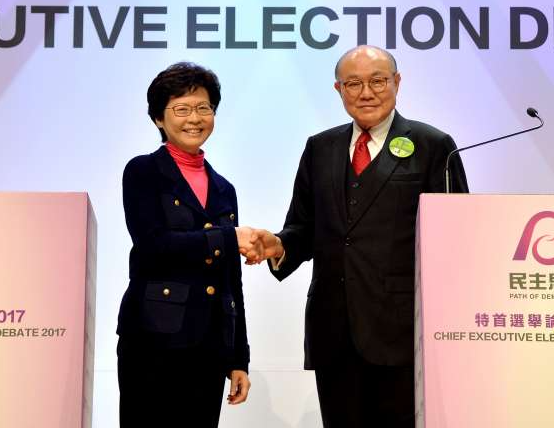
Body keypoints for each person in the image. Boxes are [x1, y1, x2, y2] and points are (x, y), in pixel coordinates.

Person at [241, 45, 468, 427]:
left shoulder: (433, 146)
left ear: (397, 82)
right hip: (333, 328)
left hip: (402, 331)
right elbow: (304, 227)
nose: (366, 93)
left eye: (378, 81)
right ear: (338, 89)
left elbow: (456, 237)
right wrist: (277, 245)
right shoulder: (320, 147)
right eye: (353, 84)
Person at [116, 62, 251, 427]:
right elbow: (152, 244)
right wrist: (228, 238)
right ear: (159, 118)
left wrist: (239, 357)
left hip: (210, 343)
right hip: (152, 337)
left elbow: (231, 278)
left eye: (204, 107)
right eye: (181, 109)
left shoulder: (224, 188)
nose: (194, 118)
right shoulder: (142, 171)